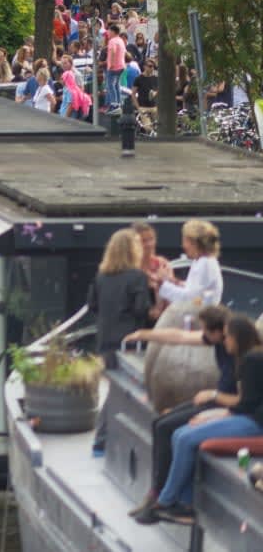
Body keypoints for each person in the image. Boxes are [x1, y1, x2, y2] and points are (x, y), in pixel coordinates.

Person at [140, 314, 263, 526]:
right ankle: (184, 505)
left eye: (227, 337)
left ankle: (165, 501)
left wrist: (212, 415)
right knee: (180, 433)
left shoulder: (252, 360)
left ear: (237, 338)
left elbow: (246, 405)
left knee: (186, 438)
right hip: (246, 416)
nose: (225, 342)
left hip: (253, 423)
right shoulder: (249, 358)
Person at [89, 229, 156, 455]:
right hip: (129, 342)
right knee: (123, 390)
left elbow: (92, 306)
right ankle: (102, 438)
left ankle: (106, 439)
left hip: (105, 340)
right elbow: (141, 309)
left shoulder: (101, 276)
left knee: (114, 388)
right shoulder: (137, 277)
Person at [157, 220, 225, 309]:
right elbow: (196, 291)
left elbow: (190, 299)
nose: (183, 245)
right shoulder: (201, 262)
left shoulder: (205, 264)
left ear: (195, 243)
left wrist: (162, 284)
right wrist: (174, 281)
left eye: (185, 241)